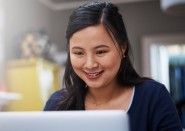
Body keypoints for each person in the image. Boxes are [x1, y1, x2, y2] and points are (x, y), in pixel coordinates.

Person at [44, 1, 183, 131]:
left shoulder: (153, 96)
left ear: (123, 48)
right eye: (79, 53)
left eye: (101, 52)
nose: (90, 64)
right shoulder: (56, 104)